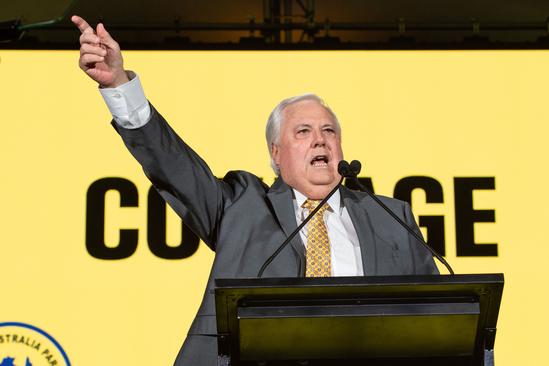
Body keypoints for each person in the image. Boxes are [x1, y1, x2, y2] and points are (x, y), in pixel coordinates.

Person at [72, 15, 438, 366]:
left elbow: (441, 317)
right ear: (276, 155)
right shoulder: (242, 205)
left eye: (329, 131)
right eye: (303, 131)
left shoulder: (392, 217)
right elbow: (176, 167)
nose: (320, 141)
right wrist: (120, 86)